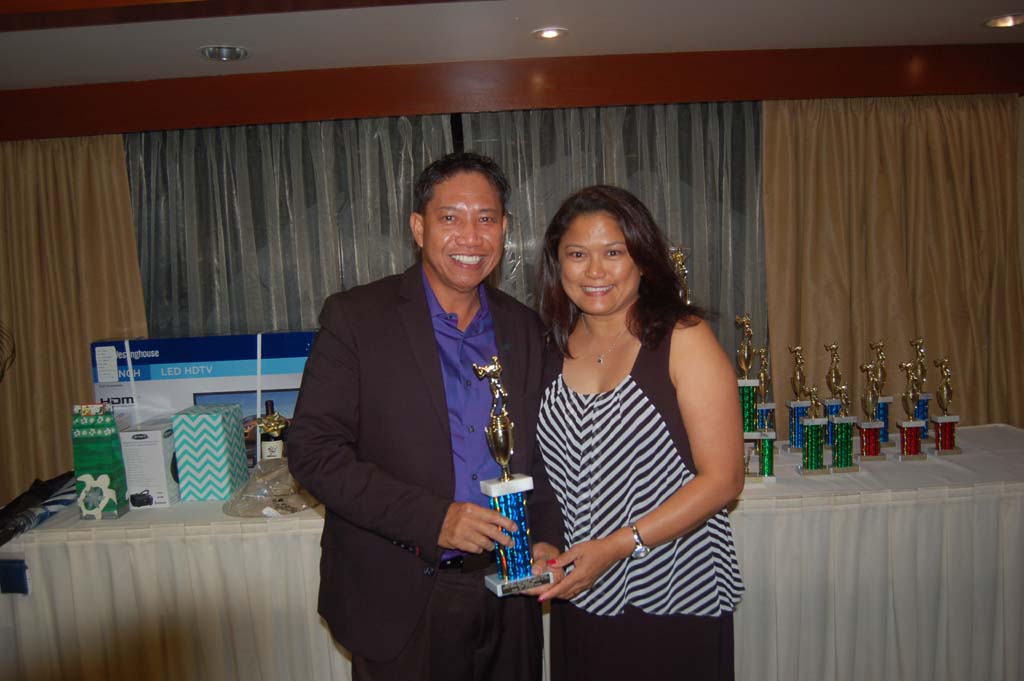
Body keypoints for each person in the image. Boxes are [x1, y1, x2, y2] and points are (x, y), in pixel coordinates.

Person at [288, 152, 563, 681]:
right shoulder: (358, 319)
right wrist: (436, 519)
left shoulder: (525, 329)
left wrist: (547, 536)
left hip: (511, 593)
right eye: (450, 217)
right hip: (402, 594)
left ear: (505, 229)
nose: (471, 237)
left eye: (486, 219)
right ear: (418, 227)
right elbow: (313, 451)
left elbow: (540, 453)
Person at [533, 185, 745, 681]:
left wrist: (616, 546)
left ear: (643, 261)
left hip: (673, 595)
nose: (595, 271)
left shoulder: (682, 338)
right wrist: (545, 543)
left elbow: (724, 480)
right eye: (577, 255)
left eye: (614, 253)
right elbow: (550, 475)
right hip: (582, 595)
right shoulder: (549, 347)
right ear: (557, 265)